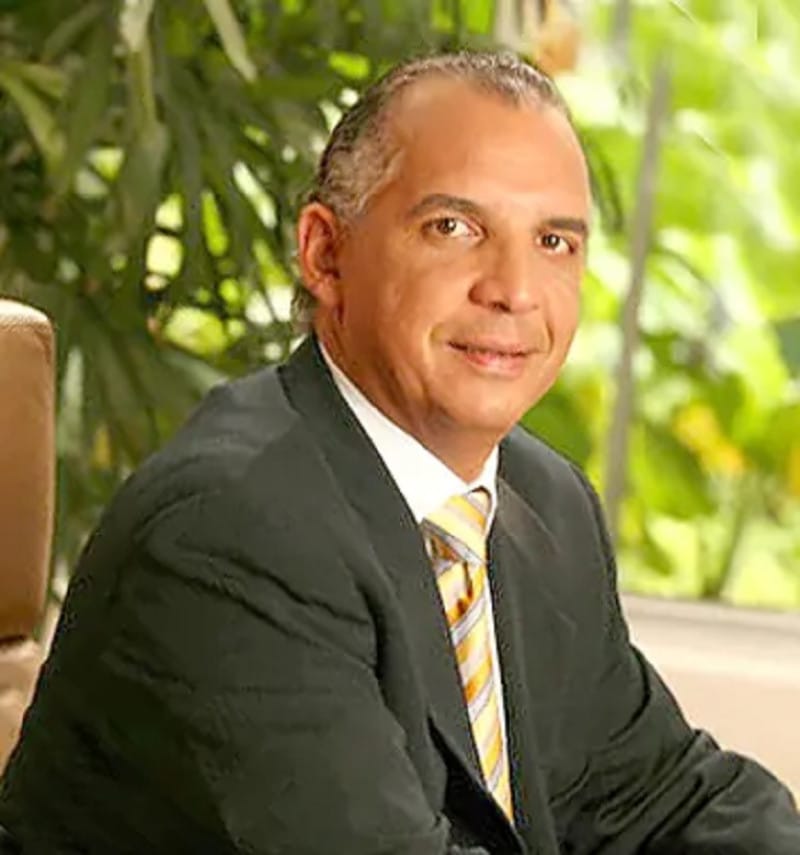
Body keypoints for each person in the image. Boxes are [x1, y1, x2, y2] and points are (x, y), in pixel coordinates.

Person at [0, 51, 797, 855]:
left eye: (554, 241)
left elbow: (660, 799)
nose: (515, 290)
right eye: (455, 228)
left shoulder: (544, 501)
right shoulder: (229, 530)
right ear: (325, 253)